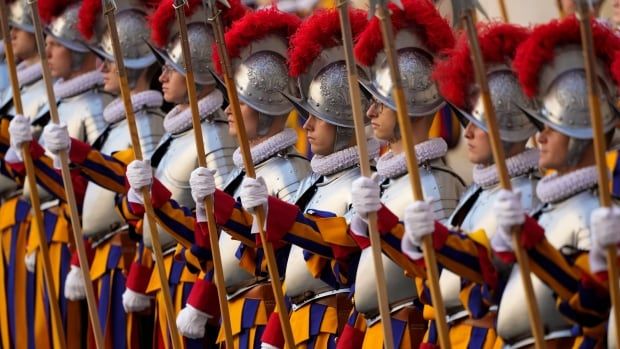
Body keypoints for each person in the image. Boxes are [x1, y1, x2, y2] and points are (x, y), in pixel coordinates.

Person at [160, 8, 311, 348]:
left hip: (261, 315)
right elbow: (213, 249)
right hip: (232, 312)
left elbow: (290, 267)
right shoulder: (244, 171)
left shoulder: (288, 173)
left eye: (239, 102)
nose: (227, 109)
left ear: (265, 108)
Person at [397, 22, 540, 348]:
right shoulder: (476, 193)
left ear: (511, 126)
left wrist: (433, 239)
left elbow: (492, 274)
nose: (469, 133)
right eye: (469, 122)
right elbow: (437, 280)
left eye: (480, 123)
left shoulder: (525, 195)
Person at [343, 0, 466, 348]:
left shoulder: (436, 184)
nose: (370, 112)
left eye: (381, 102)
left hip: (407, 332)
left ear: (410, 104)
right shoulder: (386, 181)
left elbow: (437, 284)